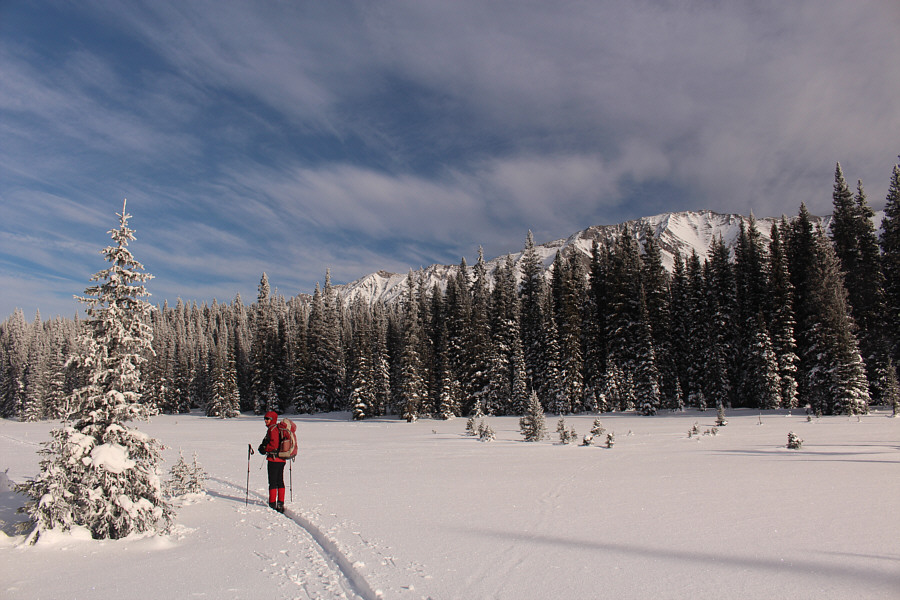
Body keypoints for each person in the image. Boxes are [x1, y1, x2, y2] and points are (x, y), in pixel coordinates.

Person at [258, 411, 286, 512]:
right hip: (282, 459)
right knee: (280, 480)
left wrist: (265, 449)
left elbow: (273, 444)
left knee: (273, 481)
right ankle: (280, 502)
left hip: (273, 459)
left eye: (267, 419)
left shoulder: (272, 429)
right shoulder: (278, 429)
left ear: (272, 419)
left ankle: (273, 503)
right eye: (265, 419)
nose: (265, 421)